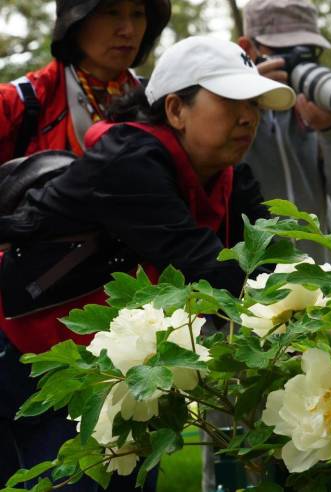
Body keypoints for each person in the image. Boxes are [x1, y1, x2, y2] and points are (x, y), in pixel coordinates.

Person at [0, 36, 295, 489]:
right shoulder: (127, 162)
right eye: (231, 100)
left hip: (107, 367)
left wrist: (330, 307)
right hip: (22, 354)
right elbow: (207, 268)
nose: (249, 117)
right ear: (175, 109)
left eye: (254, 102)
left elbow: (277, 258)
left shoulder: (229, 174)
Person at [236, 0, 331, 265]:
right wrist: (246, 105)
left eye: (308, 51)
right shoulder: (228, 108)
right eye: (284, 51)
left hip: (322, 280)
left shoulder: (319, 101)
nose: (296, 62)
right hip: (252, 286)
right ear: (247, 49)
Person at [0, 0, 171, 163]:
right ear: (76, 21)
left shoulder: (163, 104)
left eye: (137, 13)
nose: (129, 30)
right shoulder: (12, 105)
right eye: (112, 12)